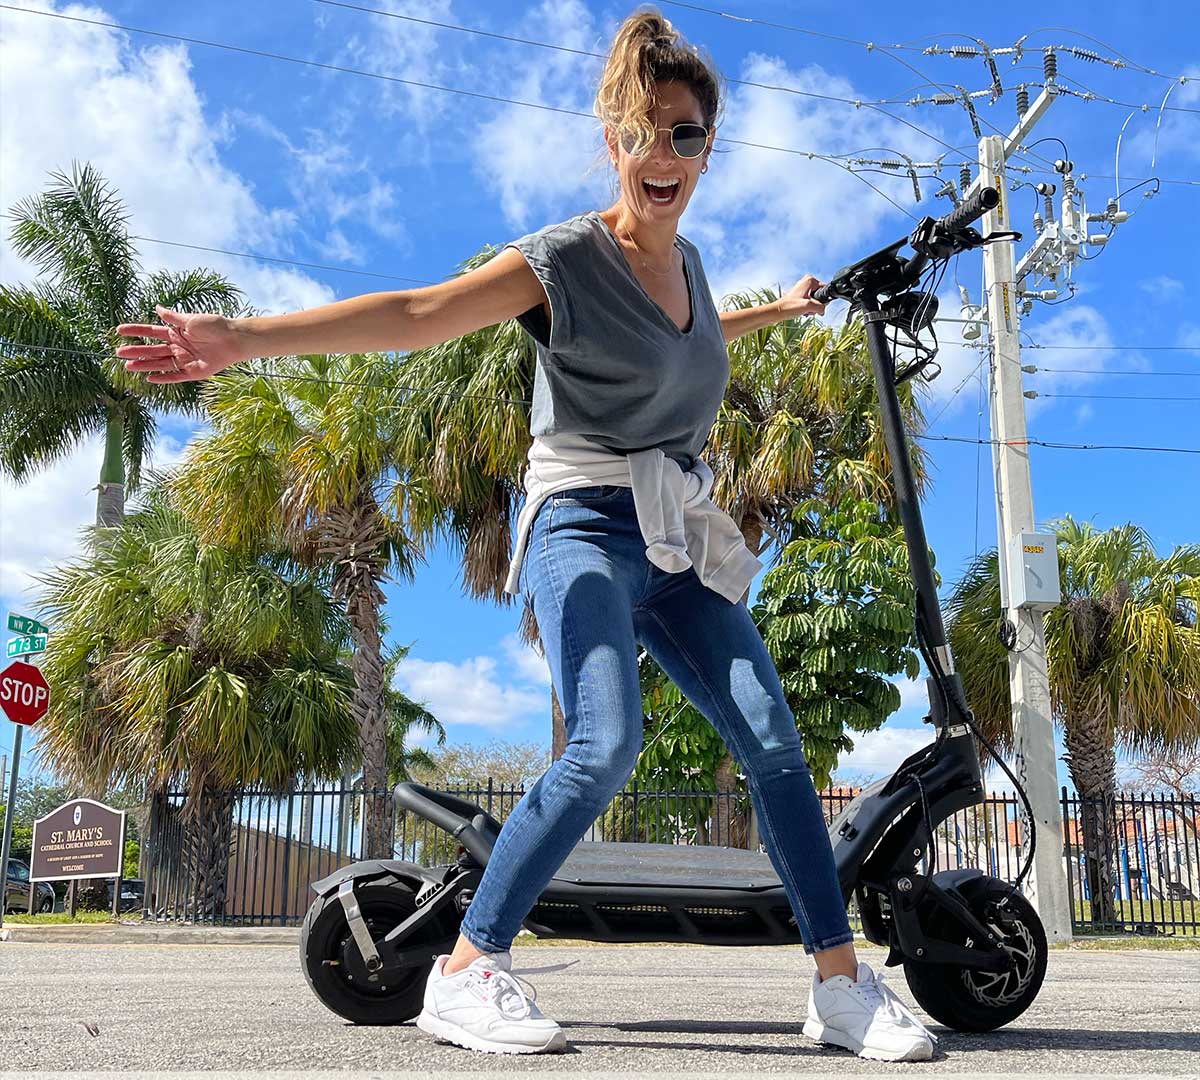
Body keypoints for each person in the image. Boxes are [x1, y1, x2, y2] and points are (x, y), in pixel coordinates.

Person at [116, 5, 939, 1064]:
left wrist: (775, 314)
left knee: (775, 745)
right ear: (614, 141)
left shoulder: (689, 273)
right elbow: (419, 312)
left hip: (673, 536)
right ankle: (467, 971)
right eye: (645, 131)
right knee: (606, 741)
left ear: (708, 151)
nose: (665, 155)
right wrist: (240, 339)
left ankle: (838, 987)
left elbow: (693, 336)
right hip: (581, 524)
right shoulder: (563, 260)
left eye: (686, 135)